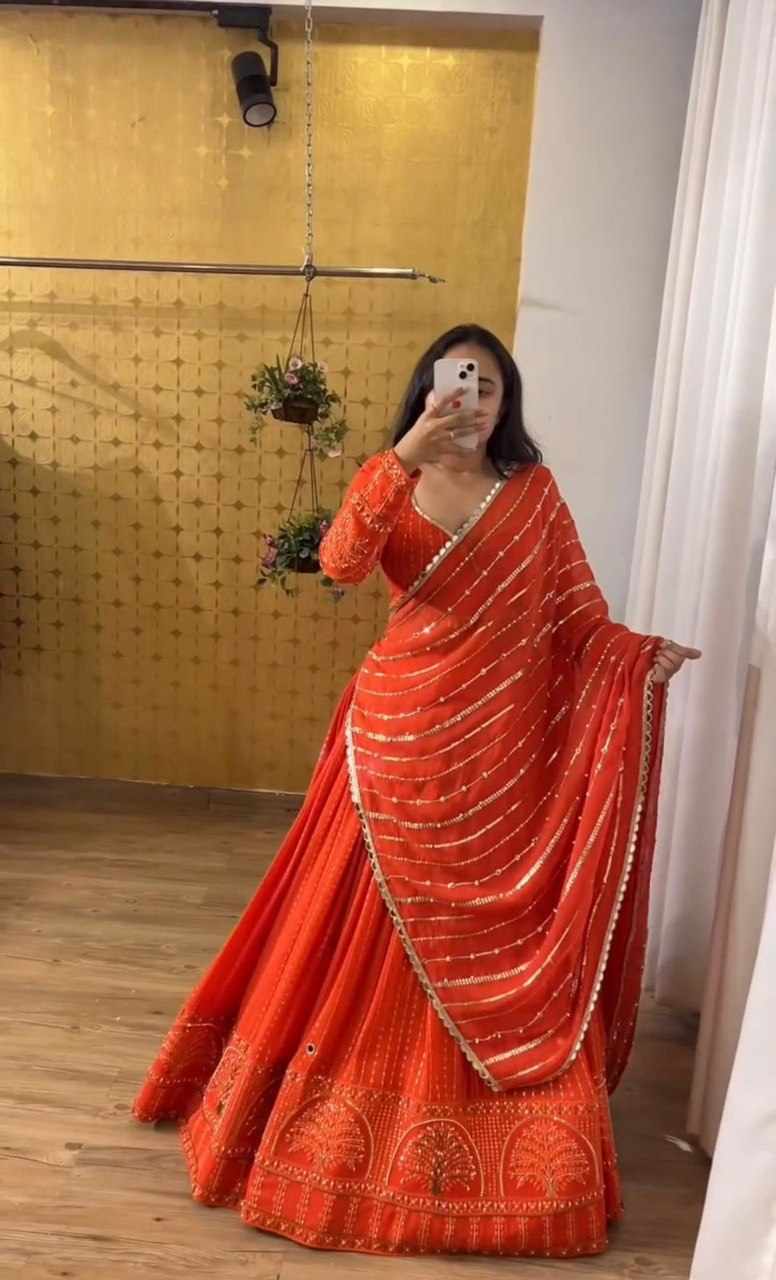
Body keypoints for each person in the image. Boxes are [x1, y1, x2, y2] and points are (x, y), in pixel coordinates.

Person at [133, 324, 701, 1259]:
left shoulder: (534, 494)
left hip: (500, 758)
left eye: (489, 387)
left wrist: (638, 657)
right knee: (362, 933)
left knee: (486, 936)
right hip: (398, 736)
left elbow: (576, 617)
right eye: (455, 385)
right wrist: (401, 457)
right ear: (428, 391)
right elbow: (342, 563)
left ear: (507, 401)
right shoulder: (386, 477)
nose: (471, 401)